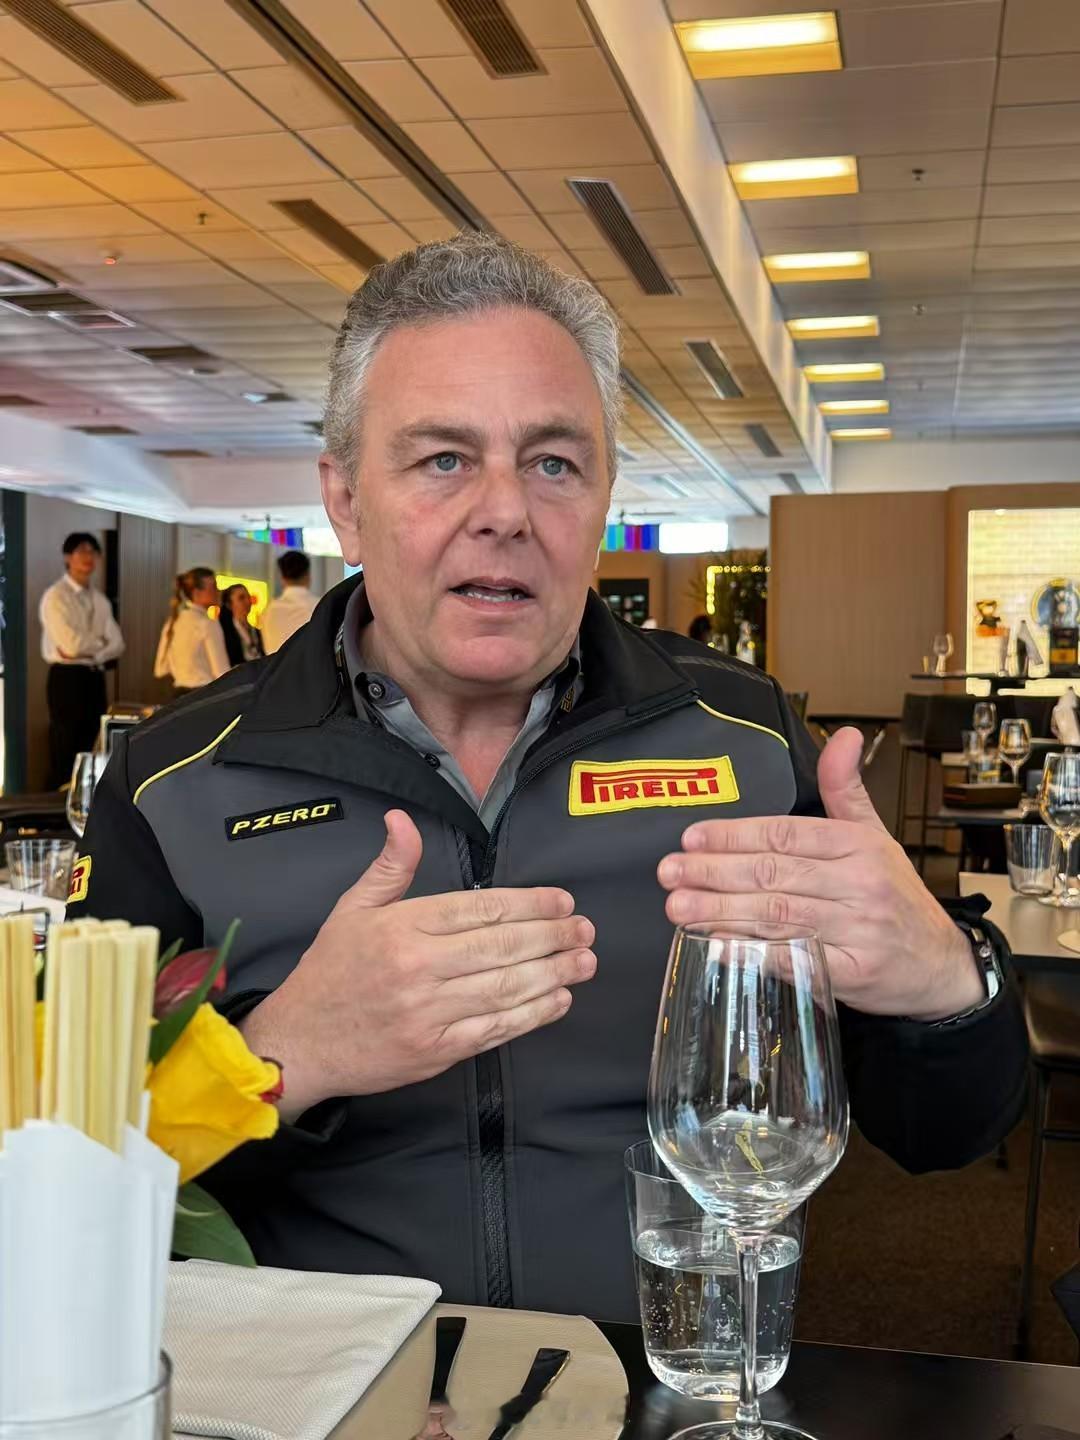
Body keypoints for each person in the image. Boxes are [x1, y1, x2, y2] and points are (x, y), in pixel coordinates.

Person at [71, 233, 1027, 1321]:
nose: (506, 511)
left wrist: (943, 983)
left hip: (670, 1373)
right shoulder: (173, 781)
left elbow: (946, 1134)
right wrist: (286, 1056)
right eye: (443, 459)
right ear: (345, 501)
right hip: (316, 1385)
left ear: (603, 496)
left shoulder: (748, 742)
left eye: (554, 463)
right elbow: (75, 1178)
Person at [39, 532, 124, 787]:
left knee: (93, 741)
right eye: (81, 551)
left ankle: (86, 800)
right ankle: (59, 801)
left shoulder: (99, 599)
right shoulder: (56, 596)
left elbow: (118, 644)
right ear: (68, 557)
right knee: (65, 743)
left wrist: (94, 652)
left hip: (94, 675)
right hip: (66, 677)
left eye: (92, 552)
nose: (88, 557)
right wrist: (100, 645)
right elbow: (70, 646)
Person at [153, 568, 229, 695]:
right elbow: (221, 672)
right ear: (197, 593)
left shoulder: (172, 622)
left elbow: (161, 669)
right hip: (204, 695)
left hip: (179, 696)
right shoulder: (208, 624)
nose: (218, 592)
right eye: (213, 587)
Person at [260, 550, 317, 654]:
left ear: (282, 577)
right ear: (308, 575)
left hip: (276, 665)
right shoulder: (319, 607)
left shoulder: (268, 612)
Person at [219, 584, 265, 668]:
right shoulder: (225, 633)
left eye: (248, 597)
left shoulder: (256, 631)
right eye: (241, 598)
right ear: (229, 605)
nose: (247, 601)